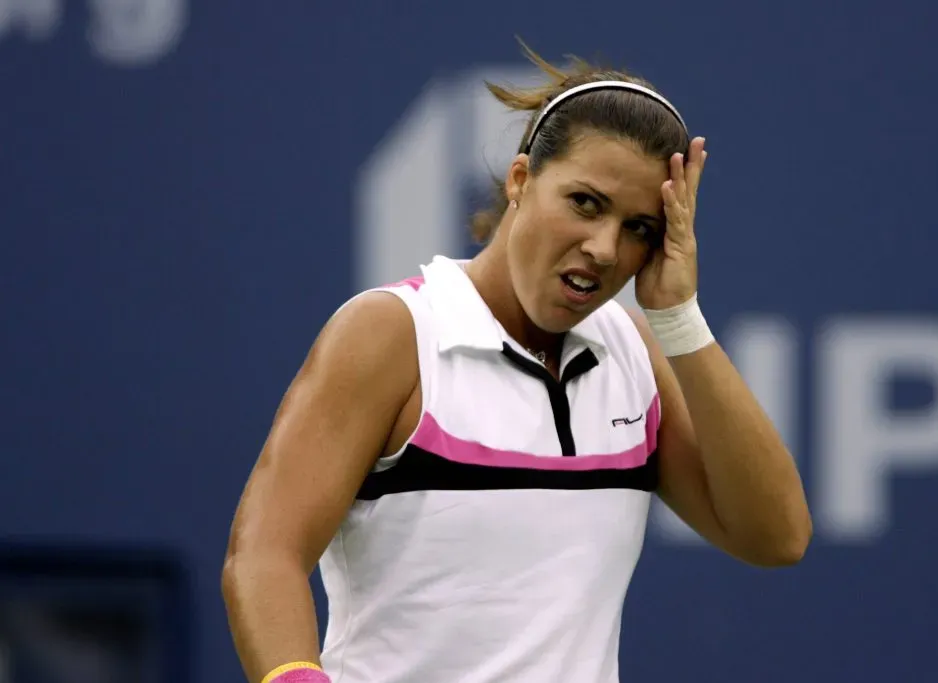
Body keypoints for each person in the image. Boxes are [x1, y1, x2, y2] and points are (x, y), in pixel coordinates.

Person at [221, 39, 812, 683]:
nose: (605, 247)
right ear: (521, 179)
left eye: (640, 227)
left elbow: (776, 535)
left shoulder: (633, 351)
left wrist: (677, 318)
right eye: (585, 203)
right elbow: (264, 557)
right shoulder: (391, 334)